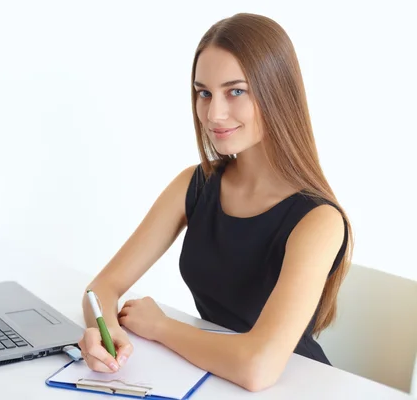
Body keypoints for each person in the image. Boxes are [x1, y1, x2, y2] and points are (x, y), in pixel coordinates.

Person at [78, 12, 353, 392]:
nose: (213, 113)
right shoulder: (196, 184)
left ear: (277, 92)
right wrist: (101, 334)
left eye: (235, 91)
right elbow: (101, 290)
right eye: (204, 92)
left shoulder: (319, 220)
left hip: (293, 387)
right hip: (211, 380)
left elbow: (258, 368)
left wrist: (161, 327)